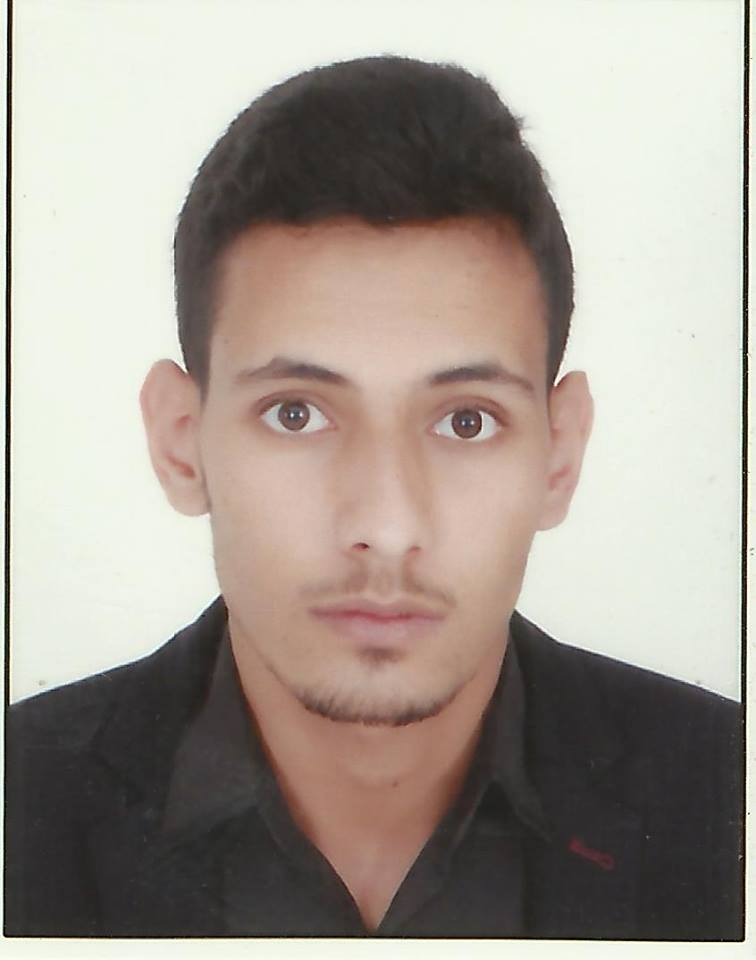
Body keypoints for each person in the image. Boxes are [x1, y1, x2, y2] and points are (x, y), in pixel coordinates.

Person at [5, 55, 742, 939]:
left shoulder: (728, 799)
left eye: (466, 421)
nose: (387, 526)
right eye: (296, 413)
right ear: (180, 442)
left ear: (559, 455)